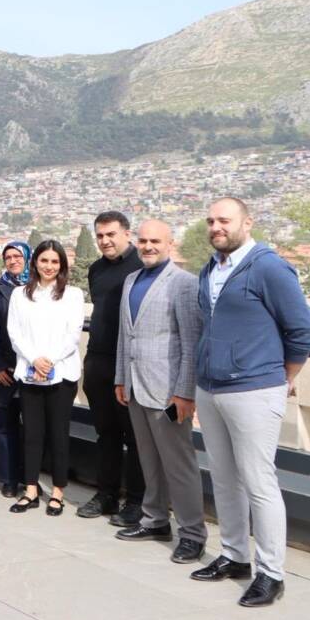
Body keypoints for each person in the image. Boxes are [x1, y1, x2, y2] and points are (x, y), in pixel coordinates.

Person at [189, 198, 310, 607]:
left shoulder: (269, 267)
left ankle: (271, 573)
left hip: (255, 389)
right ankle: (235, 555)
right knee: (223, 477)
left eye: (224, 219)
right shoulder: (211, 268)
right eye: (211, 221)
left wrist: (285, 378)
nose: (216, 226)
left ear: (247, 221)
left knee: (259, 481)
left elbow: (300, 330)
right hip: (211, 388)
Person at [112, 220, 207, 564]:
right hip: (136, 386)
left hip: (168, 391)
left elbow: (190, 342)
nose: (148, 246)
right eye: (143, 240)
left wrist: (184, 393)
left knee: (178, 464)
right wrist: (121, 378)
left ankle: (193, 533)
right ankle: (155, 520)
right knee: (148, 459)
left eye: (155, 241)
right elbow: (127, 335)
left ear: (170, 244)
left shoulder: (183, 284)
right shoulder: (131, 280)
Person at [7, 240, 85, 516]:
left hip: (61, 373)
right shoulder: (20, 295)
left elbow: (73, 333)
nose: (49, 266)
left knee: (58, 434)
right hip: (30, 373)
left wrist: (49, 360)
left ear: (62, 265)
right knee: (31, 433)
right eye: (44, 261)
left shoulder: (73, 295)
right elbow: (14, 332)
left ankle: (59, 492)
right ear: (35, 263)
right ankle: (30, 489)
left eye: (55, 261)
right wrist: (34, 360)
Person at [78, 211, 146, 525]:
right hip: (98, 360)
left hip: (129, 365)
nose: (105, 241)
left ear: (127, 234)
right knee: (105, 433)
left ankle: (135, 502)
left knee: (134, 437)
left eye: (111, 235)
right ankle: (106, 495)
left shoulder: (142, 267)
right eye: (100, 236)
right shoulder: (95, 270)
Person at [0, 241, 31, 498]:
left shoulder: (38, 287)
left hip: (33, 371)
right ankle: (9, 479)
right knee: (4, 425)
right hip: (5, 369)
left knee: (32, 427)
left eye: (17, 256)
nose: (12, 261)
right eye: (8, 257)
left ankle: (29, 477)